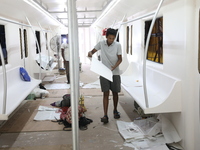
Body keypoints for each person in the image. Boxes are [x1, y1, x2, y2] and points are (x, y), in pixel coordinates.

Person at [88, 28, 122, 124]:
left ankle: (115, 110)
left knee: (115, 92)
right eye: (110, 38)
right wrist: (90, 54)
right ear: (106, 37)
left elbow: (120, 59)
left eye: (113, 38)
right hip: (104, 72)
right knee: (105, 93)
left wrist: (114, 67)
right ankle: (105, 115)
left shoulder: (118, 45)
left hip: (114, 72)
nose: (111, 40)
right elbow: (92, 52)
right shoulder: (101, 44)